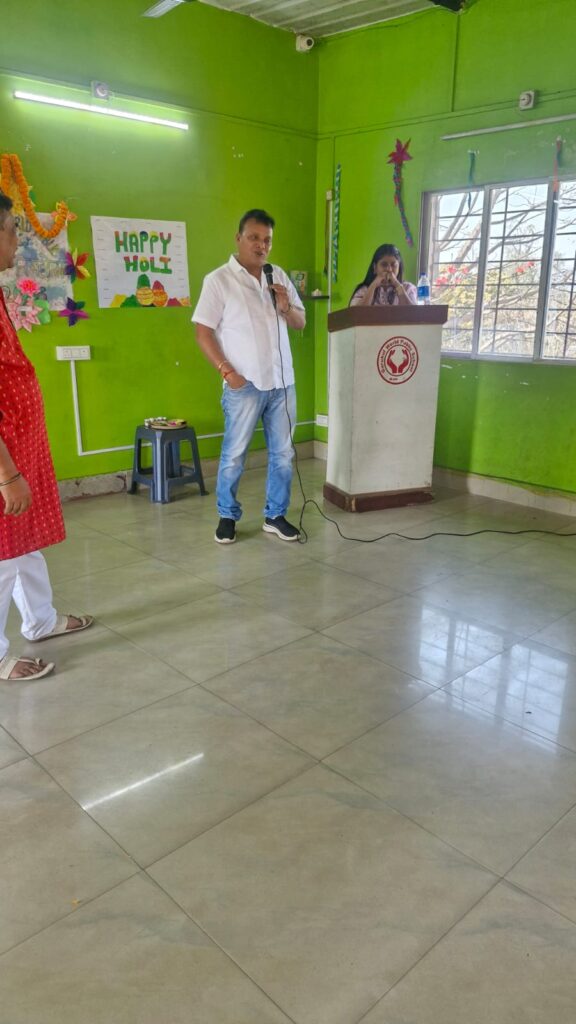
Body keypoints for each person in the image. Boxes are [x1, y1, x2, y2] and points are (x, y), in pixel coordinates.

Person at [0, 191, 93, 682]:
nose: (18, 240)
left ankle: (40, 619)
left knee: (23, 538)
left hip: (18, 443)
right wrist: (7, 474)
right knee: (2, 552)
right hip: (4, 456)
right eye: (12, 230)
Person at [193, 208, 306, 545]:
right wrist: (228, 372)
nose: (261, 246)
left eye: (267, 240)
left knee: (283, 455)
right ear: (238, 238)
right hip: (244, 385)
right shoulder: (218, 281)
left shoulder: (277, 275)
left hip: (282, 383)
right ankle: (227, 516)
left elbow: (300, 323)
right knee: (234, 456)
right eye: (254, 238)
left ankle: (275, 515)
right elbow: (203, 333)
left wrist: (286, 306)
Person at [349, 243, 417, 307]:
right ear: (375, 268)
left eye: (393, 265)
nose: (389, 269)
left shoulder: (408, 288)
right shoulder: (364, 290)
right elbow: (355, 312)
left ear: (399, 267)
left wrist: (397, 285)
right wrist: (373, 285)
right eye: (384, 265)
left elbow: (413, 313)